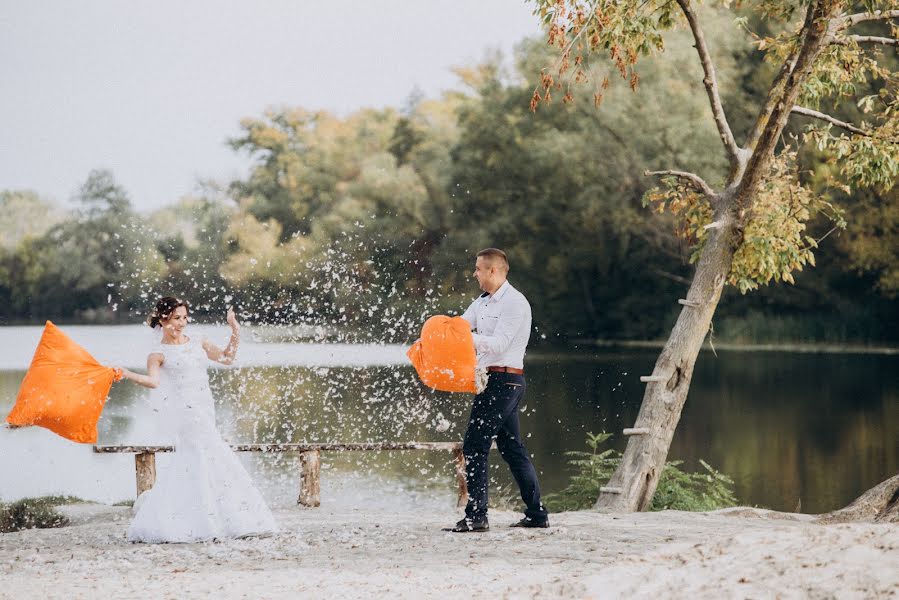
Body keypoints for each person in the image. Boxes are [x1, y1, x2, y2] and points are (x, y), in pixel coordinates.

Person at [119, 296, 277, 543]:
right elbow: (153, 382)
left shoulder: (197, 341)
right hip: (186, 415)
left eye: (184, 317)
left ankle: (224, 517)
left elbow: (227, 358)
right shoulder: (157, 354)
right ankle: (204, 521)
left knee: (210, 457)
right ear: (163, 319)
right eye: (176, 318)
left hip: (204, 408)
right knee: (202, 455)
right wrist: (126, 373)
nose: (182, 323)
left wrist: (235, 330)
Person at [449, 248, 549, 532]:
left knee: (474, 446)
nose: (475, 274)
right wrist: (439, 333)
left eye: (479, 269)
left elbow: (500, 343)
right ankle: (537, 514)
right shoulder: (481, 302)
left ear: (494, 270)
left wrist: (468, 339)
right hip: (490, 382)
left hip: (505, 381)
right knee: (511, 448)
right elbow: (460, 327)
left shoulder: (515, 303)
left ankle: (476, 516)